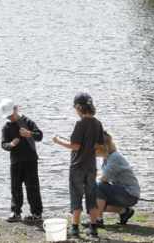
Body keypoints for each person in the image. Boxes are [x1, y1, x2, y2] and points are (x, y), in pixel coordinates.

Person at [53, 93, 104, 238]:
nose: (75, 110)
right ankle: (93, 228)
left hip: (77, 166)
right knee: (91, 196)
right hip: (91, 166)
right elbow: (99, 146)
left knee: (76, 195)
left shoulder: (80, 124)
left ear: (79, 107)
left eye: (75, 107)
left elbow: (75, 146)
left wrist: (58, 141)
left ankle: (75, 228)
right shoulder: (97, 123)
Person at [0, 98, 43, 223]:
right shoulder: (6, 127)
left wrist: (29, 134)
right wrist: (11, 145)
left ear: (16, 109)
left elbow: (39, 135)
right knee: (15, 187)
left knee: (32, 187)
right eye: (8, 116)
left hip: (30, 160)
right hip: (15, 161)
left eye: (11, 115)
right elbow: (3, 144)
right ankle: (15, 212)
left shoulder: (27, 122)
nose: (10, 118)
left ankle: (36, 213)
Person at [95, 132, 140, 226]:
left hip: (129, 194)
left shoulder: (114, 158)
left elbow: (104, 179)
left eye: (95, 148)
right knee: (95, 200)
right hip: (122, 192)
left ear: (103, 147)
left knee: (98, 187)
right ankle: (125, 212)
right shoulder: (106, 158)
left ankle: (97, 220)